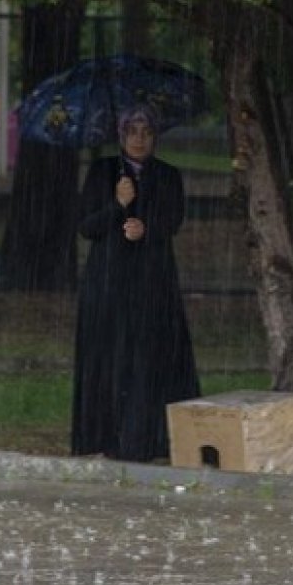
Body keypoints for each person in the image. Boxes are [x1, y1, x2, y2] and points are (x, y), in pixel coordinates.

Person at [71, 104, 201, 462]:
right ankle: (107, 436)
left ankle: (148, 439)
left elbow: (173, 220)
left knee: (148, 356)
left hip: (152, 280)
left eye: (146, 132)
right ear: (121, 135)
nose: (139, 140)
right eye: (132, 132)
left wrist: (146, 228)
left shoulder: (168, 175)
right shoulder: (103, 172)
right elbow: (86, 227)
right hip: (109, 280)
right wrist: (118, 205)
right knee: (112, 356)